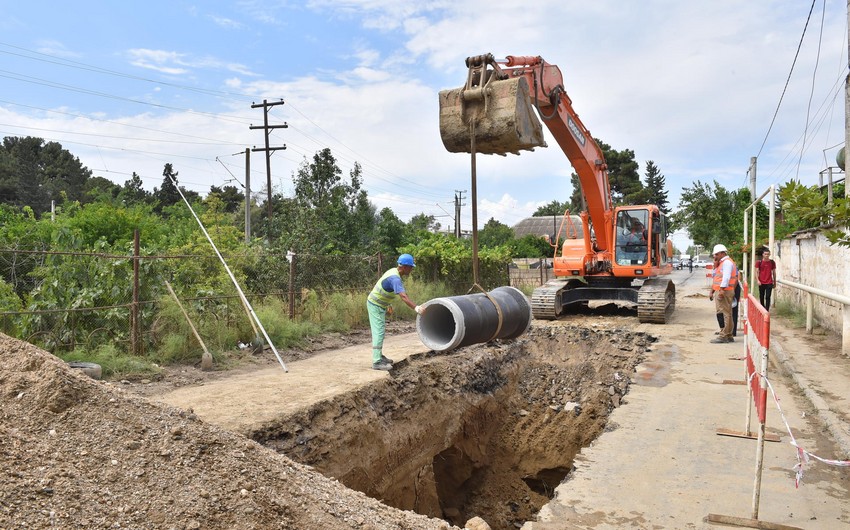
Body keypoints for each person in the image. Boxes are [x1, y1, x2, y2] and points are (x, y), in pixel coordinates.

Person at [366, 254, 424, 371]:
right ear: (405, 267)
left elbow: (386, 289)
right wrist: (416, 308)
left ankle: (379, 356)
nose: (411, 269)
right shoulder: (395, 278)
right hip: (375, 305)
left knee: (380, 331)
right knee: (379, 332)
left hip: (380, 305)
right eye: (411, 267)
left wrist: (388, 304)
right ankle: (376, 361)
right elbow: (403, 296)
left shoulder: (393, 272)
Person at [708, 244, 738, 344]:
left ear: (722, 253)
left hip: (724, 291)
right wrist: (712, 291)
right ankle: (728, 334)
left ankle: (724, 335)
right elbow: (717, 277)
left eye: (716, 254)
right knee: (727, 313)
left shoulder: (727, 263)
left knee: (723, 313)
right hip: (723, 290)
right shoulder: (722, 263)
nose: (714, 256)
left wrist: (721, 290)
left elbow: (726, 278)